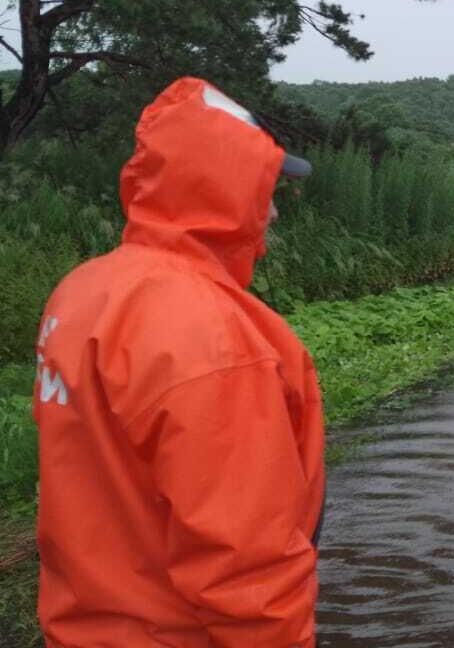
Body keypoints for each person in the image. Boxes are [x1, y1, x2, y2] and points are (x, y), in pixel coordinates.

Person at [34, 77, 325, 647]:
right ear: (227, 187)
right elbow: (246, 570)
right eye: (264, 185)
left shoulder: (82, 291)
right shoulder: (214, 337)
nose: (272, 210)